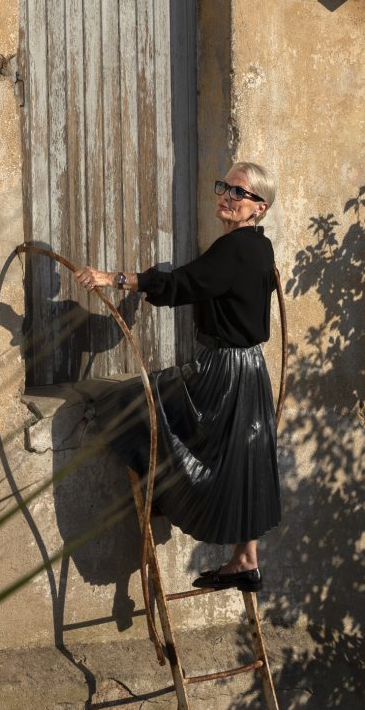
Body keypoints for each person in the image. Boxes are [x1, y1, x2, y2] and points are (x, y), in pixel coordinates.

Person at [74, 162, 281, 591]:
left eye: (238, 192)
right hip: (251, 368)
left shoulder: (235, 249)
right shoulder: (260, 247)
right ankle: (246, 560)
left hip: (224, 371)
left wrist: (112, 279)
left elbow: (181, 284)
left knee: (133, 401)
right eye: (223, 186)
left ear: (259, 207)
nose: (225, 196)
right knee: (243, 460)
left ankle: (164, 488)